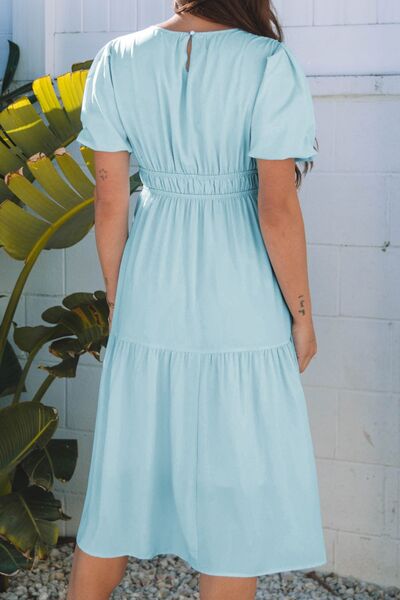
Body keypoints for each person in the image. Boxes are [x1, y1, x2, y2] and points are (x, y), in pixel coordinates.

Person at [67, 1, 327, 598]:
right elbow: (276, 207)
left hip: (150, 282)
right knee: (234, 495)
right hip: (241, 290)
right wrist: (303, 315)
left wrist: (119, 298)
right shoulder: (267, 61)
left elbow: (109, 199)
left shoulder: (117, 58)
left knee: (118, 488)